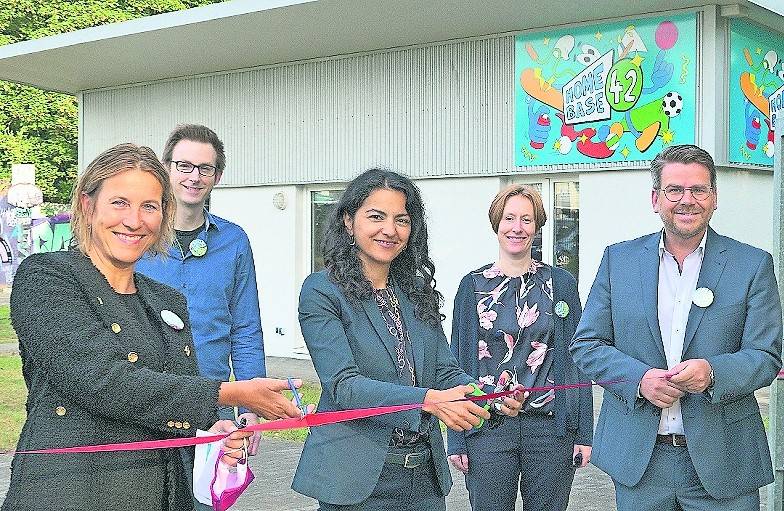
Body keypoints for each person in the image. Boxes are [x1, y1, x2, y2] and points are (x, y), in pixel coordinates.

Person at [1, 143, 303, 511]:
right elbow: (100, 380)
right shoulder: (48, 277)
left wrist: (209, 433)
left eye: (149, 206)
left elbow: (177, 392)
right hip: (71, 491)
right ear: (87, 204)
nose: (134, 220)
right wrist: (231, 393)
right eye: (120, 203)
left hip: (164, 494)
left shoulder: (167, 301)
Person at [291, 168, 525, 511]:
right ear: (347, 221)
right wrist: (427, 401)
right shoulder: (322, 291)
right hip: (357, 480)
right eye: (376, 217)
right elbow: (345, 386)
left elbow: (445, 373)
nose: (390, 230)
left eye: (401, 219)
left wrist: (491, 397)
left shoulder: (416, 292)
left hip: (423, 482)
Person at [570, 144, 782, 511]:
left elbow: (766, 355)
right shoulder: (617, 261)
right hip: (642, 461)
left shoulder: (752, 265)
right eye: (675, 190)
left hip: (725, 461)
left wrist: (713, 373)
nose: (688, 200)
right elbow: (587, 344)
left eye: (699, 189)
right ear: (656, 198)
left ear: (714, 198)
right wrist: (639, 380)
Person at [447, 184, 593, 511]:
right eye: (509, 218)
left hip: (551, 432)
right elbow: (455, 364)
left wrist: (584, 433)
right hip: (486, 429)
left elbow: (577, 359)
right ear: (496, 225)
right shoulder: (472, 285)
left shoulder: (561, 284)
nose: (517, 228)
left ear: (537, 226)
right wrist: (456, 437)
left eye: (526, 220)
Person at [137, 124, 266, 428]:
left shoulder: (234, 241)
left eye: (205, 168)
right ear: (166, 169)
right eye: (184, 166)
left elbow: (245, 328)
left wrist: (250, 405)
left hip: (214, 403)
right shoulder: (137, 236)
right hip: (148, 403)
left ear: (217, 176)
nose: (194, 177)